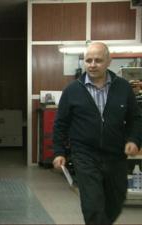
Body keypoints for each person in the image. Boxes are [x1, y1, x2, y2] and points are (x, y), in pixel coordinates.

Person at [53, 42, 142, 225]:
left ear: (109, 61)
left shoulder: (123, 87)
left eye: (98, 60)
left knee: (115, 202)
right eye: (88, 60)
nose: (92, 64)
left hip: (116, 155)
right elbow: (60, 124)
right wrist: (59, 152)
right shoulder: (72, 90)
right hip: (85, 155)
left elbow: (136, 118)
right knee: (93, 204)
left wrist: (134, 139)